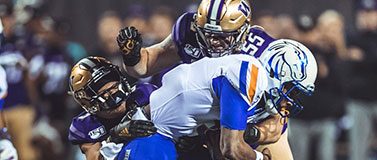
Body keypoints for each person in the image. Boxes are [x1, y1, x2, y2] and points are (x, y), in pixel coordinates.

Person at [116, 0, 289, 158]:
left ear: (242, 33)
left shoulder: (263, 52)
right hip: (196, 126)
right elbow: (144, 66)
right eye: (207, 34)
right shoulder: (188, 32)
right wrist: (132, 57)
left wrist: (247, 133)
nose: (213, 42)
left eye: (222, 36)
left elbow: (278, 121)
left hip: (247, 123)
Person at [113, 39, 317, 160]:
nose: (290, 99)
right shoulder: (249, 75)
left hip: (177, 141)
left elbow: (219, 147)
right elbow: (232, 148)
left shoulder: (253, 86)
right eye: (292, 89)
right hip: (152, 136)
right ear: (278, 72)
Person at [67, 57, 158, 160]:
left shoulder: (144, 93)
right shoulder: (84, 125)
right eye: (99, 89)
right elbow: (95, 158)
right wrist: (115, 137)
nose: (113, 91)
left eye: (112, 81)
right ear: (85, 100)